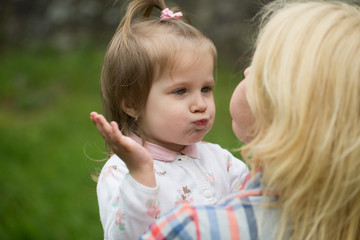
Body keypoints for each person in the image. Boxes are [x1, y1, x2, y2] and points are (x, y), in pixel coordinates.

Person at [140, 0, 360, 239]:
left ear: (282, 108)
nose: (246, 71)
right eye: (181, 90)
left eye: (259, 66)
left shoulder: (191, 231)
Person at [90, 0, 249, 239]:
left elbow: (255, 208)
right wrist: (141, 175)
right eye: (181, 91)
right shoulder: (121, 171)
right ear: (132, 103)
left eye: (206, 88)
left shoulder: (221, 160)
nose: (200, 104)